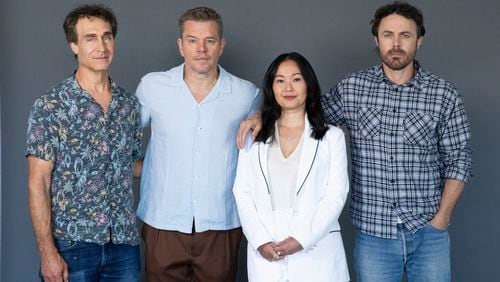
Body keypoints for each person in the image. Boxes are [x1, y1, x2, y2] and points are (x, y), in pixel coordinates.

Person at [238, 2, 472, 281]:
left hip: (427, 232)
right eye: (388, 35)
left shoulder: (443, 95)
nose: (395, 43)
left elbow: (460, 158)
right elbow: (303, 110)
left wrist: (441, 219)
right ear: (377, 40)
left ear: (419, 40)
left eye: (405, 35)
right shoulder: (352, 89)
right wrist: (260, 116)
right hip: (374, 235)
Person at [135, 6, 261, 282]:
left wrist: (264, 115)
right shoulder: (152, 87)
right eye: (192, 40)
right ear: (181, 46)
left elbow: (268, 148)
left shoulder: (246, 94)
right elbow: (122, 138)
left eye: (210, 41)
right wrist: (141, 167)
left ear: (221, 45)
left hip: (222, 221)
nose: (201, 49)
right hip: (162, 220)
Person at [26, 4, 143, 282]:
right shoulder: (51, 106)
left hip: (124, 244)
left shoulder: (128, 105)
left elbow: (134, 165)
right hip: (72, 245)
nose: (101, 46)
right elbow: (38, 182)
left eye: (107, 36)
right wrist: (47, 252)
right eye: (90, 38)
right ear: (74, 46)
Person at [233, 52, 350, 282]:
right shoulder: (252, 136)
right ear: (271, 87)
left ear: (309, 84)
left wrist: (301, 239)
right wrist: (259, 240)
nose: (288, 87)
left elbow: (336, 195)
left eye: (296, 79)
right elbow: (242, 191)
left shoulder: (331, 137)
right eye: (280, 80)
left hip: (317, 253)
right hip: (267, 252)